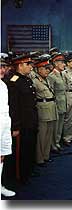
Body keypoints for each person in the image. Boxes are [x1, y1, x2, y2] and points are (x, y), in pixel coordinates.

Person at [6, 54, 38, 183]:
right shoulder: (14, 82)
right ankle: (20, 175)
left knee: (30, 147)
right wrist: (15, 126)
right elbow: (13, 107)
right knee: (21, 151)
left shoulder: (26, 80)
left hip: (30, 121)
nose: (31, 67)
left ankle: (28, 170)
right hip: (22, 123)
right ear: (20, 65)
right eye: (28, 64)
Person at [0, 57, 16, 197]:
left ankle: (0, 185)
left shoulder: (3, 85)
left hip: (4, 124)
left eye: (4, 67)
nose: (2, 70)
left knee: (2, 155)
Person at [48, 53, 67, 152]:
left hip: (63, 103)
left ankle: (57, 142)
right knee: (55, 126)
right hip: (56, 104)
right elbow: (51, 92)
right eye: (62, 63)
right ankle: (53, 144)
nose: (64, 65)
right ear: (55, 63)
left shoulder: (61, 74)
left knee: (60, 125)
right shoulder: (52, 76)